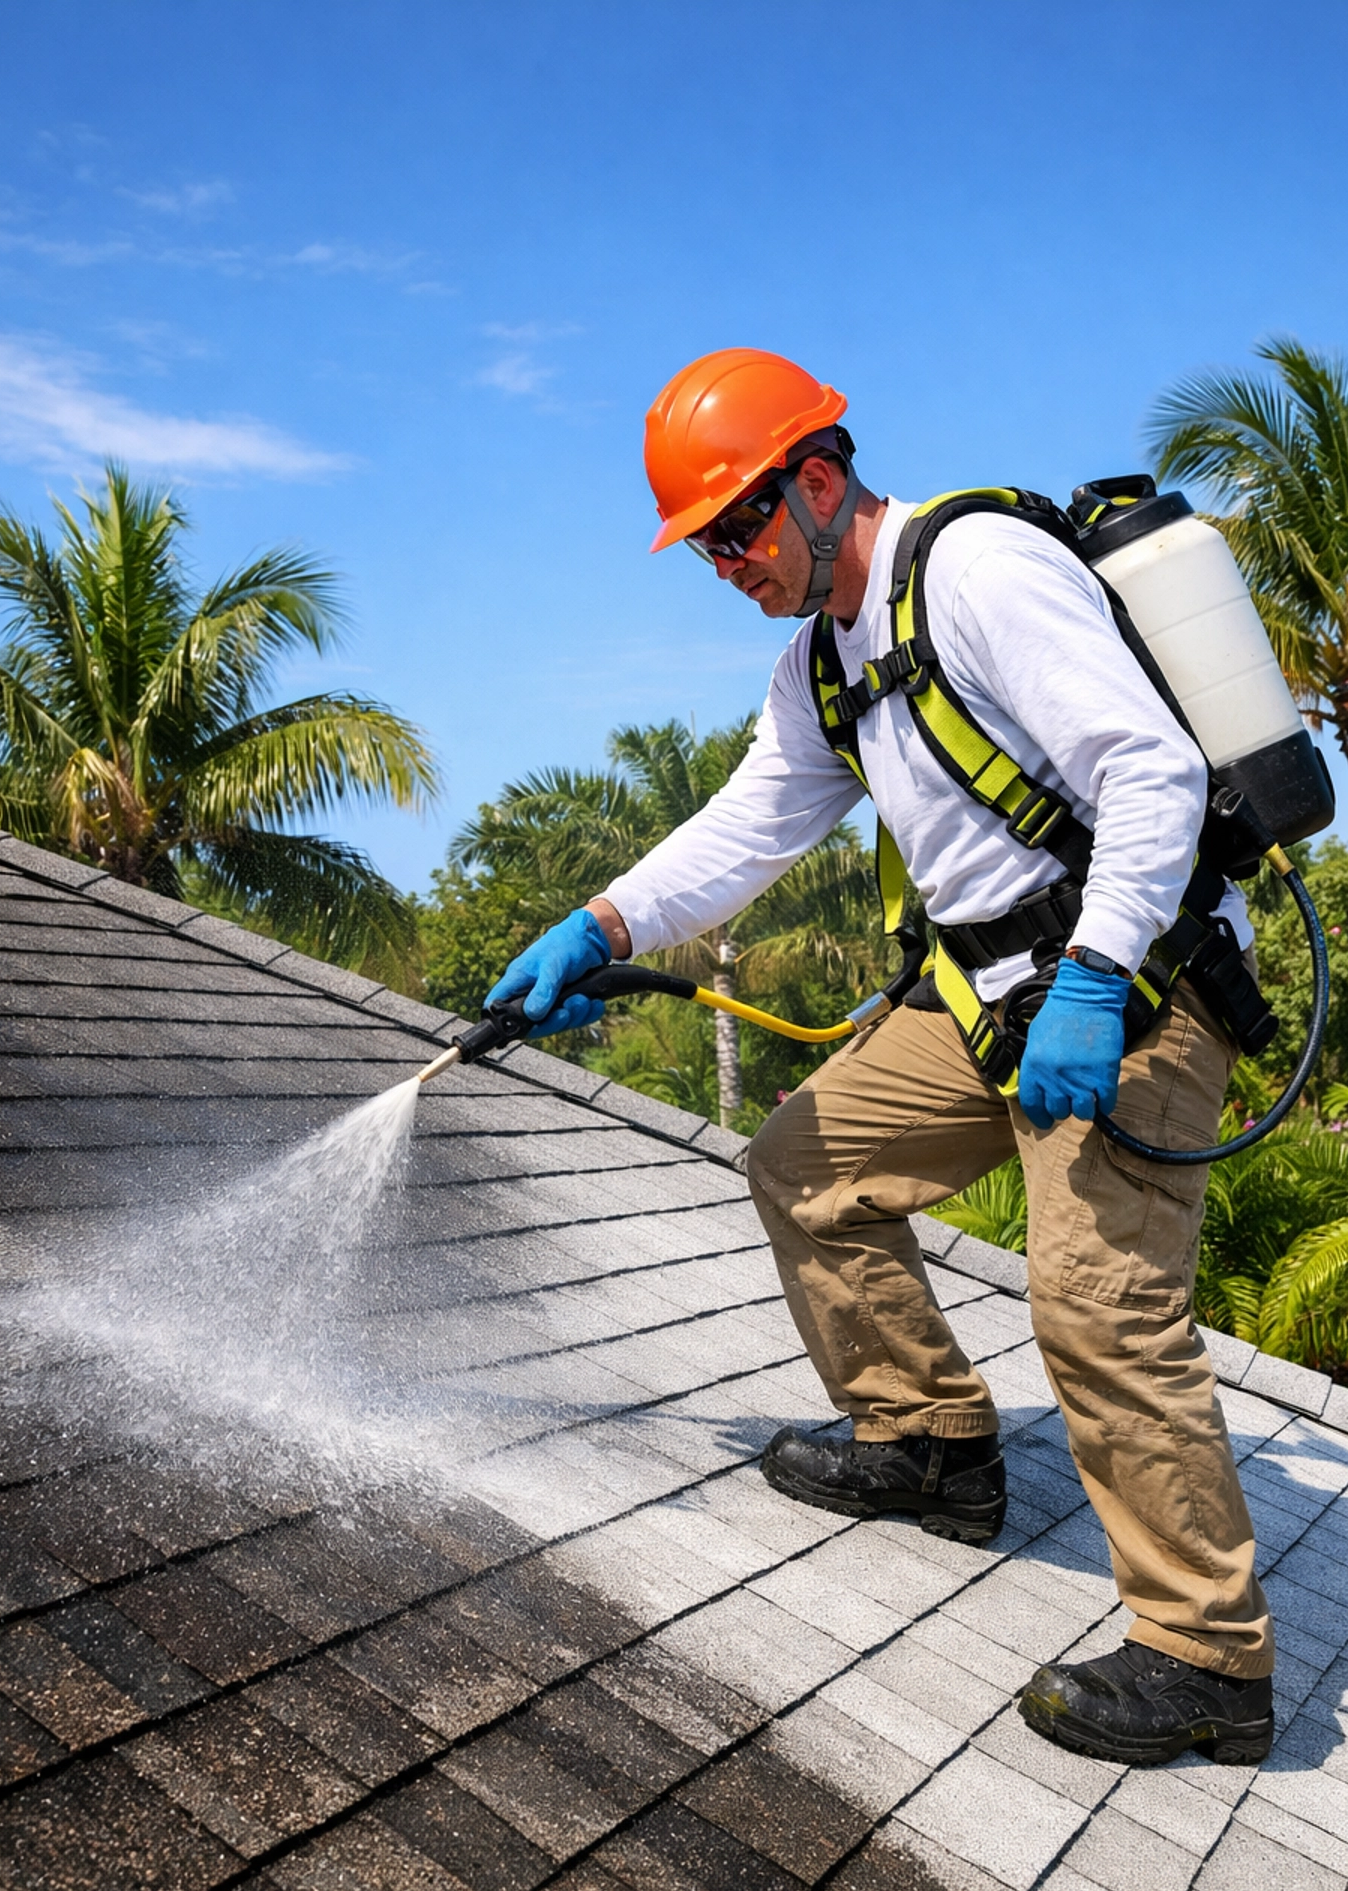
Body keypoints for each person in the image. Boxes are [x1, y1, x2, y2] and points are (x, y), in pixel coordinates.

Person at [486, 347, 1274, 1769]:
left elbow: (1149, 772)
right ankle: (928, 1443)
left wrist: (1096, 980)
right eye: (704, 544)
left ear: (820, 480)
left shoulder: (975, 570)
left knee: (1096, 1301)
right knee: (803, 1167)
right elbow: (745, 828)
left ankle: (1206, 1658)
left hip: (1138, 980)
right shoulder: (823, 663)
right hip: (989, 997)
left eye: (736, 526)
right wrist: (592, 924)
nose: (725, 561)